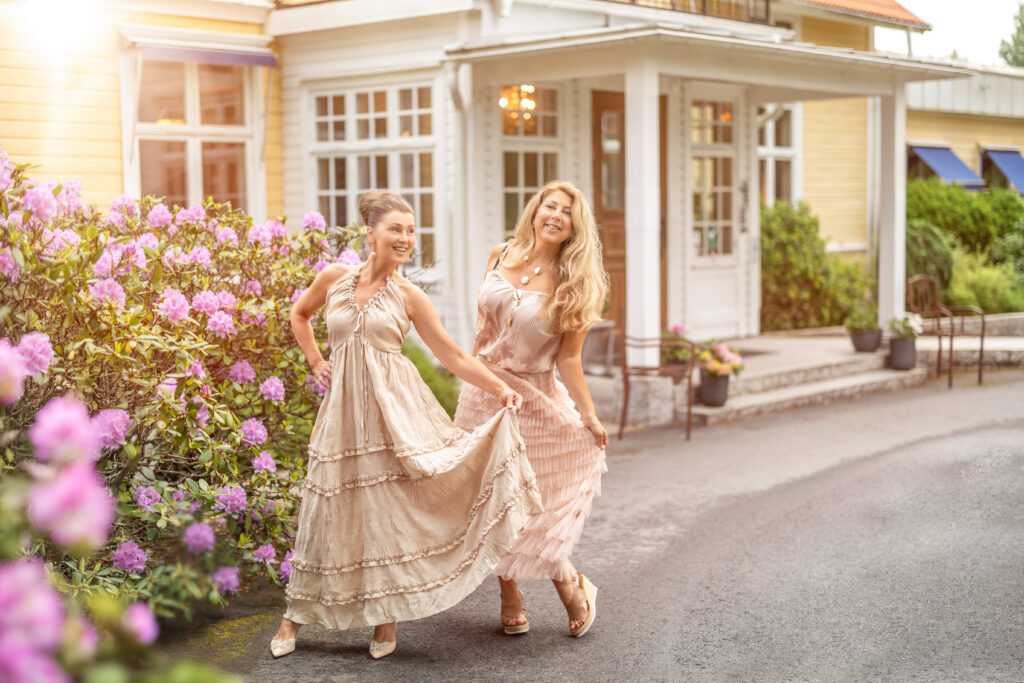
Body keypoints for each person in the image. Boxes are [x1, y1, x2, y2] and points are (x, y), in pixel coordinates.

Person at [270, 192, 542, 660]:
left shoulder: (409, 296)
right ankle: (293, 617)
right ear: (370, 234)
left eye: (411, 231)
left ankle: (385, 619)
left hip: (394, 412)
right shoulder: (334, 278)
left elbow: (453, 356)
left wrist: (499, 388)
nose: (406, 239)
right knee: (324, 510)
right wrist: (316, 359)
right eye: (396, 229)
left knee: (387, 509)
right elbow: (299, 314)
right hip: (340, 414)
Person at [454, 180, 610, 638]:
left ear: (573, 229)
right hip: (482, 391)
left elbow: (569, 359)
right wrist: (467, 373)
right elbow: (481, 331)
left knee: (528, 500)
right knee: (488, 496)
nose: (556, 216)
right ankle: (510, 592)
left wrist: (590, 415)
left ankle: (569, 582)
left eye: (566, 213)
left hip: (534, 398)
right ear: (537, 209)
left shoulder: (575, 285)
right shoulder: (500, 254)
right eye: (551, 206)